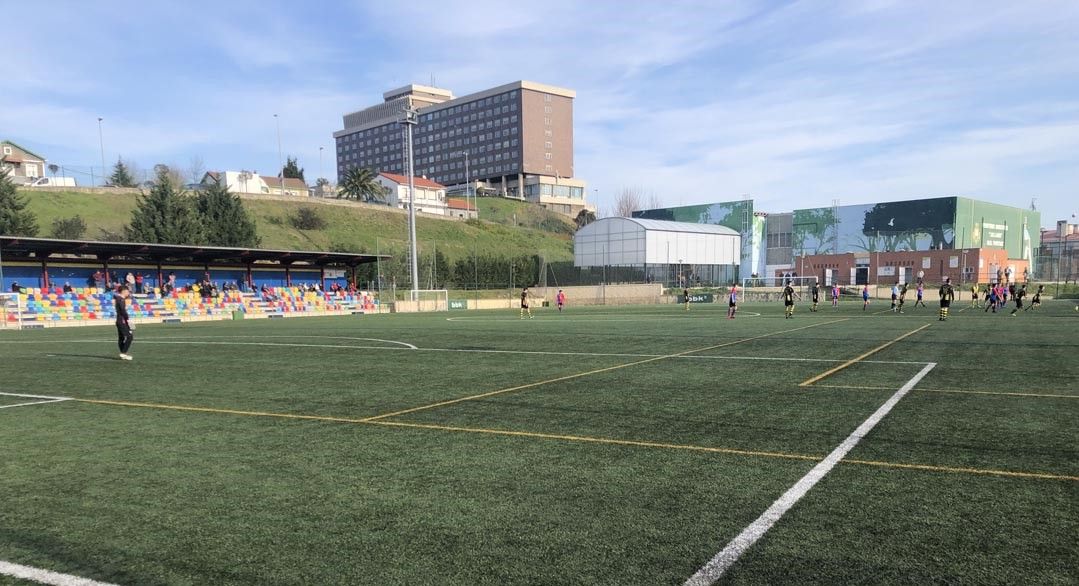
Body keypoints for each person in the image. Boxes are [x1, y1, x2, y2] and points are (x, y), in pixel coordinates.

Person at [114, 285, 134, 360]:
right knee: (129, 337)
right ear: (124, 291)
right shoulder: (121, 299)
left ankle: (123, 353)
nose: (128, 293)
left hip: (119, 320)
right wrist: (127, 318)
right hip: (122, 320)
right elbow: (123, 310)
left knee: (121, 338)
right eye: (128, 291)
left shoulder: (118, 298)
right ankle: (123, 353)